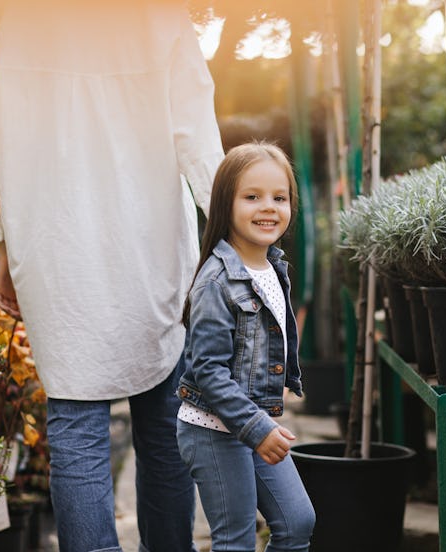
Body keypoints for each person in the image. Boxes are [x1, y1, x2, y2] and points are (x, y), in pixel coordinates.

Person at [0, 1, 224, 550]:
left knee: (75, 426)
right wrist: (232, 232)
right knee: (164, 427)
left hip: (54, 245)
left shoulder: (23, 19)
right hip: (150, 243)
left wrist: (1, 244)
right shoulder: (162, 17)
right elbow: (198, 136)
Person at [176, 142, 315, 551]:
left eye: (279, 197)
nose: (268, 207)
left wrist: (260, 425)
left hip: (257, 423)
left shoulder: (273, 266)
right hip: (214, 430)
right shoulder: (216, 282)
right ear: (225, 204)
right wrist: (256, 429)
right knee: (235, 539)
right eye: (251, 197)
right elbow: (209, 372)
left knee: (297, 522)